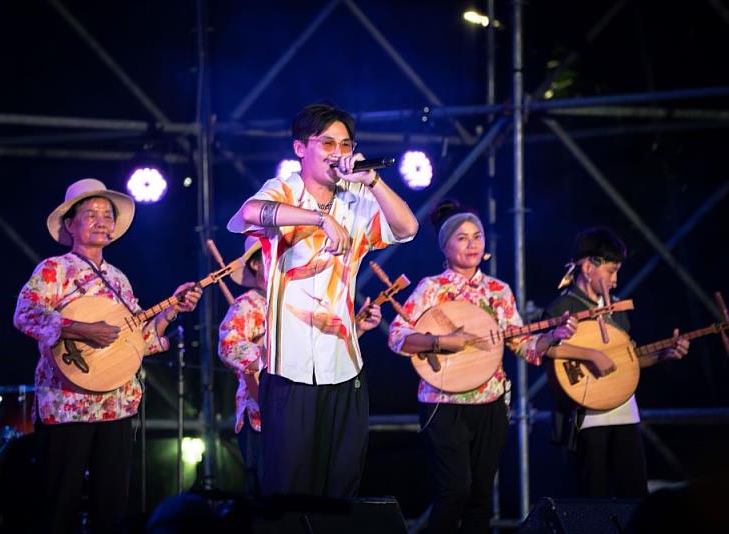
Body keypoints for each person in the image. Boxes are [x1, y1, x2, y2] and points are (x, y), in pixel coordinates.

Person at [227, 102, 418, 498]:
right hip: (289, 366)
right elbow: (248, 213)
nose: (338, 152)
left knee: (340, 485)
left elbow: (408, 228)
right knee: (290, 488)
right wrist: (318, 218)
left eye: (345, 144)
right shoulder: (283, 189)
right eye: (327, 142)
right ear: (300, 148)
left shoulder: (357, 198)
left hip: (344, 364)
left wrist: (374, 182)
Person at [13, 178, 202, 533]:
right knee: (60, 503)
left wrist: (170, 312)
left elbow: (135, 340)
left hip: (116, 402)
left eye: (107, 215)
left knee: (112, 505)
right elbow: (25, 314)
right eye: (91, 214)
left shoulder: (119, 279)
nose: (102, 221)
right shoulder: (54, 270)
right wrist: (81, 329)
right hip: (66, 402)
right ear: (70, 224)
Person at [387, 200, 577, 534]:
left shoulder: (498, 291)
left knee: (480, 497)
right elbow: (398, 337)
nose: (473, 243)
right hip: (443, 403)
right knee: (454, 490)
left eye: (477, 236)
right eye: (462, 238)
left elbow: (523, 344)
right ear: (445, 246)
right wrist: (441, 342)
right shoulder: (432, 289)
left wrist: (554, 336)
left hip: (491, 402)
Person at [217, 236, 384, 496]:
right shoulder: (248, 304)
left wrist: (358, 329)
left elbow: (321, 352)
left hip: (304, 413)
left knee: (308, 495)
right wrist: (272, 352)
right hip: (262, 417)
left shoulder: (304, 303)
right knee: (270, 499)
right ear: (254, 264)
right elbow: (228, 345)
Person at [544, 226, 689, 498]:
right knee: (592, 498)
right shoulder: (561, 309)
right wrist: (591, 355)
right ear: (588, 267)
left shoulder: (617, 310)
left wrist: (662, 355)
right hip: (585, 415)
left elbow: (626, 361)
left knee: (634, 492)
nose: (615, 280)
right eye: (611, 271)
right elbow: (545, 350)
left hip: (624, 412)